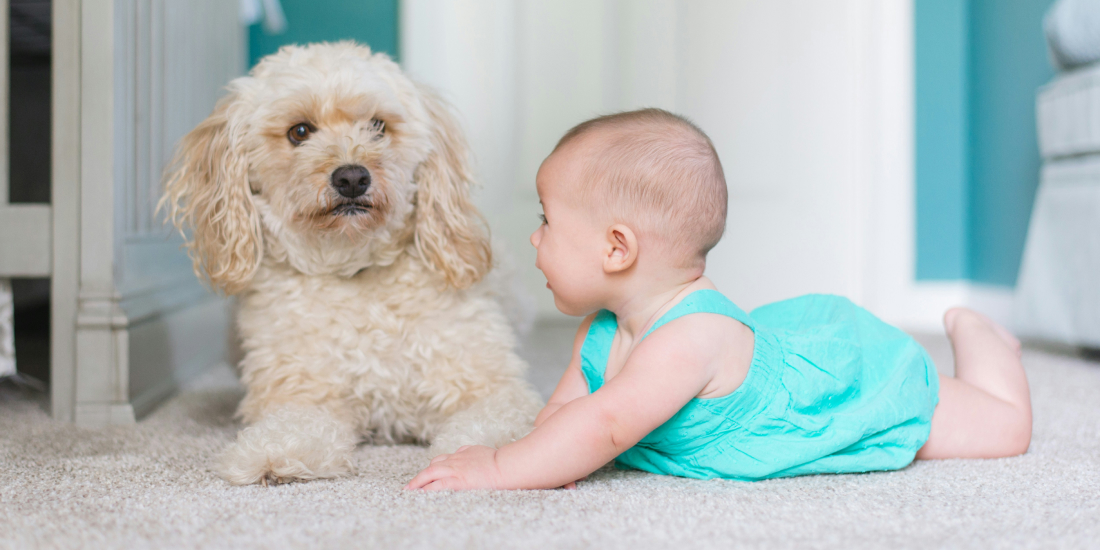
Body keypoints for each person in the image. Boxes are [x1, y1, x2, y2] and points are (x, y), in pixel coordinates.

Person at [405, 108, 1032, 490]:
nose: (534, 238)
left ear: (616, 249)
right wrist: (539, 457)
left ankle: (980, 336)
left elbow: (604, 425)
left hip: (841, 383)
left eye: (548, 222)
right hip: (771, 348)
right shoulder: (600, 331)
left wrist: (498, 469)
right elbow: (567, 418)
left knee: (1004, 430)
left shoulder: (688, 340)